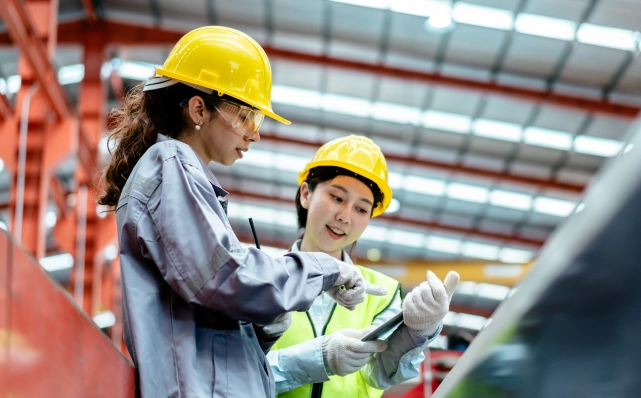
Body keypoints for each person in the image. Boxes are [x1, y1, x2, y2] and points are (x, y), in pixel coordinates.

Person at [97, 27, 387, 398]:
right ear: (199, 108)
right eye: (246, 116)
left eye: (258, 120)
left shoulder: (185, 177)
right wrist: (325, 269)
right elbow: (225, 275)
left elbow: (213, 315)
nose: (254, 134)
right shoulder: (172, 164)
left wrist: (261, 327)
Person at [265, 135, 460, 398]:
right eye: (336, 197)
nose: (345, 216)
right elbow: (235, 371)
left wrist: (419, 331)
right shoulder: (261, 276)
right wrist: (317, 358)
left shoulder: (384, 292)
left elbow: (381, 373)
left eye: (361, 209)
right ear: (306, 194)